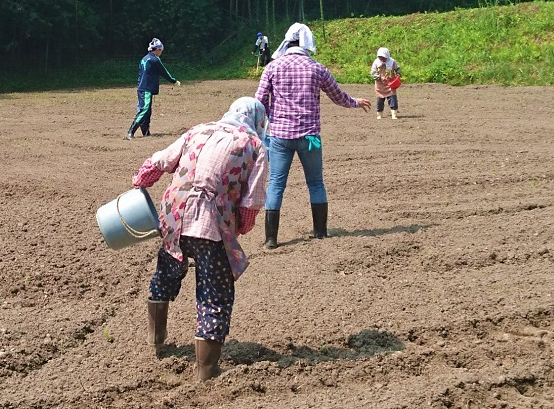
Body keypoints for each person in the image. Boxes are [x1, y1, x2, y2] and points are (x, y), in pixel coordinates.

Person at [131, 97, 268, 381]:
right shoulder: (255, 147)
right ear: (258, 122)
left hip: (173, 215)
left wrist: (140, 183)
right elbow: (251, 203)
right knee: (214, 291)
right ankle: (207, 370)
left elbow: (161, 160)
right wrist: (239, 228)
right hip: (210, 224)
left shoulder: (200, 129)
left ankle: (156, 340)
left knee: (167, 272)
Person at [254, 22, 371, 249]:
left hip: (280, 136)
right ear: (307, 43)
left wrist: (272, 117)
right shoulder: (317, 68)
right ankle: (320, 232)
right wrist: (356, 103)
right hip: (310, 137)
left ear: (288, 41)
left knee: (276, 185)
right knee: (316, 183)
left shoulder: (272, 67)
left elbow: (259, 101)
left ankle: (270, 239)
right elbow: (338, 96)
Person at [126, 38, 181, 140]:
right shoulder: (155, 60)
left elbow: (140, 74)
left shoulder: (144, 58)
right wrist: (173, 81)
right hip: (146, 88)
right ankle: (130, 132)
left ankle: (146, 132)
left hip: (141, 88)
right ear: (157, 49)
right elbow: (164, 72)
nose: (161, 52)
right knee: (145, 110)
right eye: (161, 50)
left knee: (147, 111)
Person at [370, 46, 401, 120]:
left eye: (384, 57)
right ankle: (379, 114)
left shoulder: (392, 62)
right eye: (380, 57)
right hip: (380, 85)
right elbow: (373, 72)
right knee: (380, 100)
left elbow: (397, 69)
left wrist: (398, 74)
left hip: (390, 83)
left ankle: (394, 114)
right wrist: (379, 77)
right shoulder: (376, 62)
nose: (382, 59)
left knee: (392, 98)